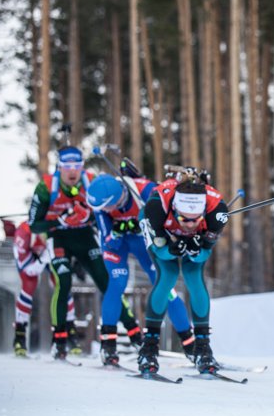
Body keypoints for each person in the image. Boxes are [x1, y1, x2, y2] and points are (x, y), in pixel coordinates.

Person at [27, 146, 143, 359]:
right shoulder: (46, 187)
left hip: (85, 238)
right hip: (58, 238)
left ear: (82, 166)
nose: (73, 172)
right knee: (64, 282)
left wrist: (87, 217)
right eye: (67, 167)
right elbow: (34, 224)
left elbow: (109, 212)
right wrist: (60, 219)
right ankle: (59, 341)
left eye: (77, 166)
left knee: (107, 282)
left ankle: (135, 335)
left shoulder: (91, 181)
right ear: (59, 168)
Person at [86, 173, 196, 366]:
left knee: (165, 286)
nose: (103, 211)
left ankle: (190, 345)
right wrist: (117, 230)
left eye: (106, 207)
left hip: (143, 241)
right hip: (118, 244)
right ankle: (108, 346)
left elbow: (169, 216)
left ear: (118, 197)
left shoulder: (145, 190)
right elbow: (108, 241)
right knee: (117, 284)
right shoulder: (102, 206)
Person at [136, 170, 229, 374]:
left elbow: (203, 254)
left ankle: (203, 347)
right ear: (175, 209)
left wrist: (197, 249)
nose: (189, 224)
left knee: (194, 277)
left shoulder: (217, 213)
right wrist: (171, 248)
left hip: (191, 235)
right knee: (167, 275)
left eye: (195, 219)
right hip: (162, 232)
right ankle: (149, 346)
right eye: (184, 219)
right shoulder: (156, 207)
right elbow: (160, 249)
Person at [11, 221, 79, 356]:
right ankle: (20, 335)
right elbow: (28, 271)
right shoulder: (23, 235)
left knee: (62, 285)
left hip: (49, 253)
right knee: (28, 286)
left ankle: (70, 331)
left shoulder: (56, 231)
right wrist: (42, 260)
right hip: (31, 257)